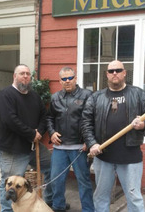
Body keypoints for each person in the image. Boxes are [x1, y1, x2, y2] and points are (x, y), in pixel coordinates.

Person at [81, 60, 145, 212]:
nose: (114, 73)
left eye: (118, 70)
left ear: (124, 73)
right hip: (103, 156)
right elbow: (86, 123)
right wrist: (92, 143)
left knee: (134, 198)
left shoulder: (139, 94)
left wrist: (143, 125)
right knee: (101, 197)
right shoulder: (96, 97)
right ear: (107, 74)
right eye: (111, 71)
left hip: (130, 157)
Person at [0, 64, 53, 212]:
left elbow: (44, 116)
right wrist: (32, 134)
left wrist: (39, 131)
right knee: (11, 183)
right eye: (22, 73)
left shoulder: (34, 96)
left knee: (53, 165)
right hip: (12, 150)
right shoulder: (5, 95)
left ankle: (48, 201)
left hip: (33, 147)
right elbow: (10, 120)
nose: (26, 76)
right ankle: (7, 210)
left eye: (28, 74)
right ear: (14, 76)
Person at [46, 67, 95, 212]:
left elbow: (92, 118)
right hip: (60, 148)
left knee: (84, 181)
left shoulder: (87, 95)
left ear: (75, 78)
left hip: (80, 147)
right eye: (64, 79)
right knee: (56, 180)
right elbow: (49, 118)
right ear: (60, 81)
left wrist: (89, 140)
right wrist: (52, 132)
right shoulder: (55, 97)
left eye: (70, 78)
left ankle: (88, 209)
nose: (67, 81)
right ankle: (58, 206)